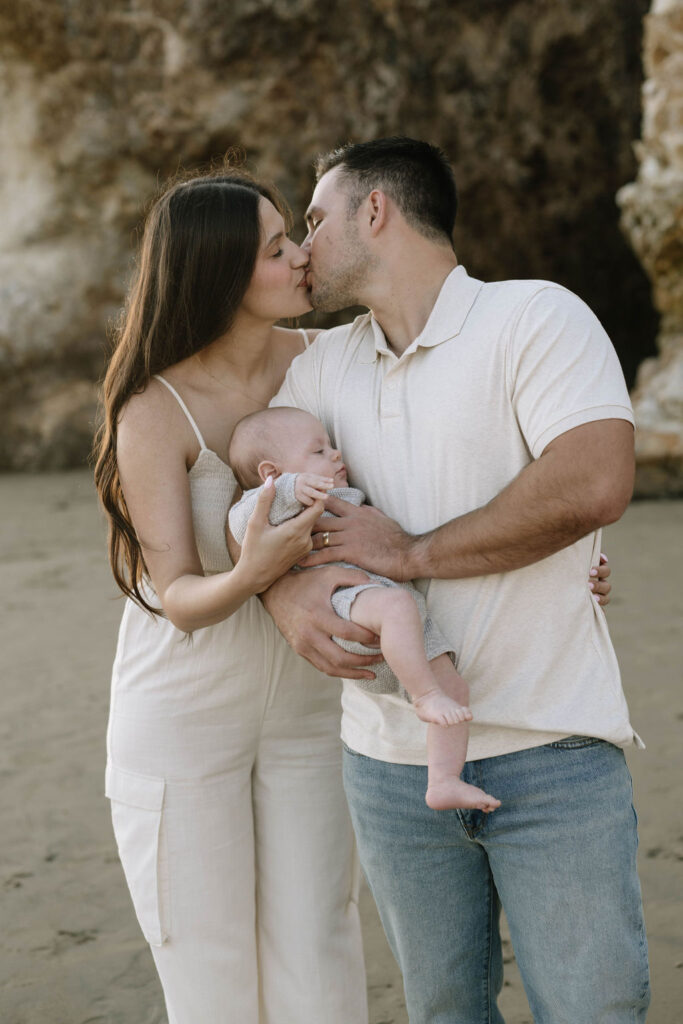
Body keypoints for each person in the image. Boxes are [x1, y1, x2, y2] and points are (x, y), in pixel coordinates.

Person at [261, 138, 650, 1022]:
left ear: (375, 211)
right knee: (442, 1014)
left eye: (314, 218)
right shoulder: (318, 367)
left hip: (551, 749)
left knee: (593, 1012)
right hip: (389, 766)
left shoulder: (535, 318)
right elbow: (232, 489)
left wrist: (409, 553)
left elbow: (593, 480)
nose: (302, 245)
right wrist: (280, 592)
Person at [93, 168, 370, 1024]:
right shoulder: (153, 411)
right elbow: (174, 591)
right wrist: (254, 574)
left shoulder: (331, 361)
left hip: (309, 713)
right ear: (219, 274)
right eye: (276, 248)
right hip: (182, 718)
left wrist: (569, 560)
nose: (302, 257)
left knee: (319, 958)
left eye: (295, 237)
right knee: (211, 981)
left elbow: (429, 476)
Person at [227, 405, 500, 812]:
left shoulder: (335, 490)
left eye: (332, 447)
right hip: (344, 606)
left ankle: (443, 780)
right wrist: (287, 488)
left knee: (455, 688)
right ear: (271, 472)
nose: (335, 455)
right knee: (396, 606)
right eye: (318, 450)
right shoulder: (278, 499)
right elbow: (242, 520)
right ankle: (424, 695)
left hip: (396, 625)